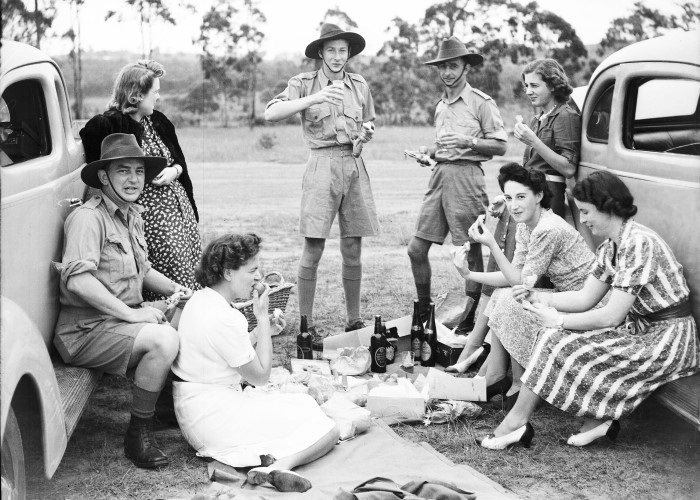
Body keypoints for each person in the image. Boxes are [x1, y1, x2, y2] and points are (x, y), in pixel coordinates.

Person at [477, 171, 699, 450]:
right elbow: (585, 298)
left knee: (560, 341)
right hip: (642, 330)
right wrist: (538, 298)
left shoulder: (638, 243)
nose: (582, 220)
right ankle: (573, 421)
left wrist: (558, 320)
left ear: (608, 207)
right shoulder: (611, 247)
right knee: (553, 339)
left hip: (667, 339)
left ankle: (520, 423)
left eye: (586, 212)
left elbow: (611, 316)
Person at [53, 133, 193, 468]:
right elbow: (78, 280)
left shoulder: (130, 214)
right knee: (163, 339)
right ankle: (138, 434)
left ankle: (164, 404)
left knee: (191, 313)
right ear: (104, 177)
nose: (133, 179)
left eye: (139, 171)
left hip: (119, 319)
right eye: (123, 171)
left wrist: (182, 289)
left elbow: (143, 269)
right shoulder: (89, 218)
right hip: (86, 330)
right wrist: (133, 317)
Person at [172, 233, 339, 493]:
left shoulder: (200, 300)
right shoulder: (226, 317)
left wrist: (262, 335)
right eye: (252, 270)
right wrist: (261, 319)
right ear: (228, 273)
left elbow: (225, 351)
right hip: (214, 420)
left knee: (301, 404)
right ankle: (279, 466)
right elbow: (260, 377)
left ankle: (270, 461)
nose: (259, 277)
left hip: (197, 410)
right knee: (328, 428)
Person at [450, 57, 582, 373]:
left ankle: (494, 363)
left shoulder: (565, 117)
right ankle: (483, 356)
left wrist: (532, 140)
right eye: (526, 85)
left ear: (554, 84)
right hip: (526, 200)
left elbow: (567, 167)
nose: (529, 91)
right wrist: (506, 197)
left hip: (544, 201)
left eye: (535, 85)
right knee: (507, 275)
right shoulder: (540, 117)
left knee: (521, 281)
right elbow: (527, 171)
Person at [264, 23, 377, 338]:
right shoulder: (303, 83)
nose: (338, 56)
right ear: (320, 53)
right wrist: (315, 97)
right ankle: (306, 323)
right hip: (321, 167)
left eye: (343, 50)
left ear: (349, 53)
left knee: (353, 246)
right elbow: (271, 113)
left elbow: (365, 127)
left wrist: (365, 136)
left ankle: (354, 319)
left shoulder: (359, 85)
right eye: (331, 50)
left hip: (353, 165)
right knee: (313, 247)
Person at [451, 164, 594, 407]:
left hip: (587, 301)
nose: (513, 205)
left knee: (512, 298)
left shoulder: (547, 229)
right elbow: (512, 277)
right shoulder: (527, 226)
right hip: (567, 296)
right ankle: (499, 376)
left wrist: (491, 245)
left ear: (538, 196)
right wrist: (468, 273)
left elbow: (520, 281)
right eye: (508, 197)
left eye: (521, 197)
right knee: (504, 295)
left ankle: (513, 381)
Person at [80, 59, 202, 305]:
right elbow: (96, 155)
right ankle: (170, 322)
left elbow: (179, 160)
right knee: (164, 271)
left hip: (179, 213)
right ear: (136, 95)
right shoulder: (111, 124)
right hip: (150, 218)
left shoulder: (158, 121)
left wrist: (174, 171)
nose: (158, 97)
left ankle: (190, 326)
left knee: (190, 266)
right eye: (154, 92)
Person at [408, 36, 508, 330]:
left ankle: (468, 317)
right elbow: (444, 147)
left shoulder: (481, 102)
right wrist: (428, 152)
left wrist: (470, 140)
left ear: (466, 67)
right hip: (440, 175)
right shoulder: (441, 105)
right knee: (416, 249)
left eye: (453, 66)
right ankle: (424, 313)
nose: (447, 72)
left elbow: (501, 146)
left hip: (467, 177)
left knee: (470, 249)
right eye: (443, 67)